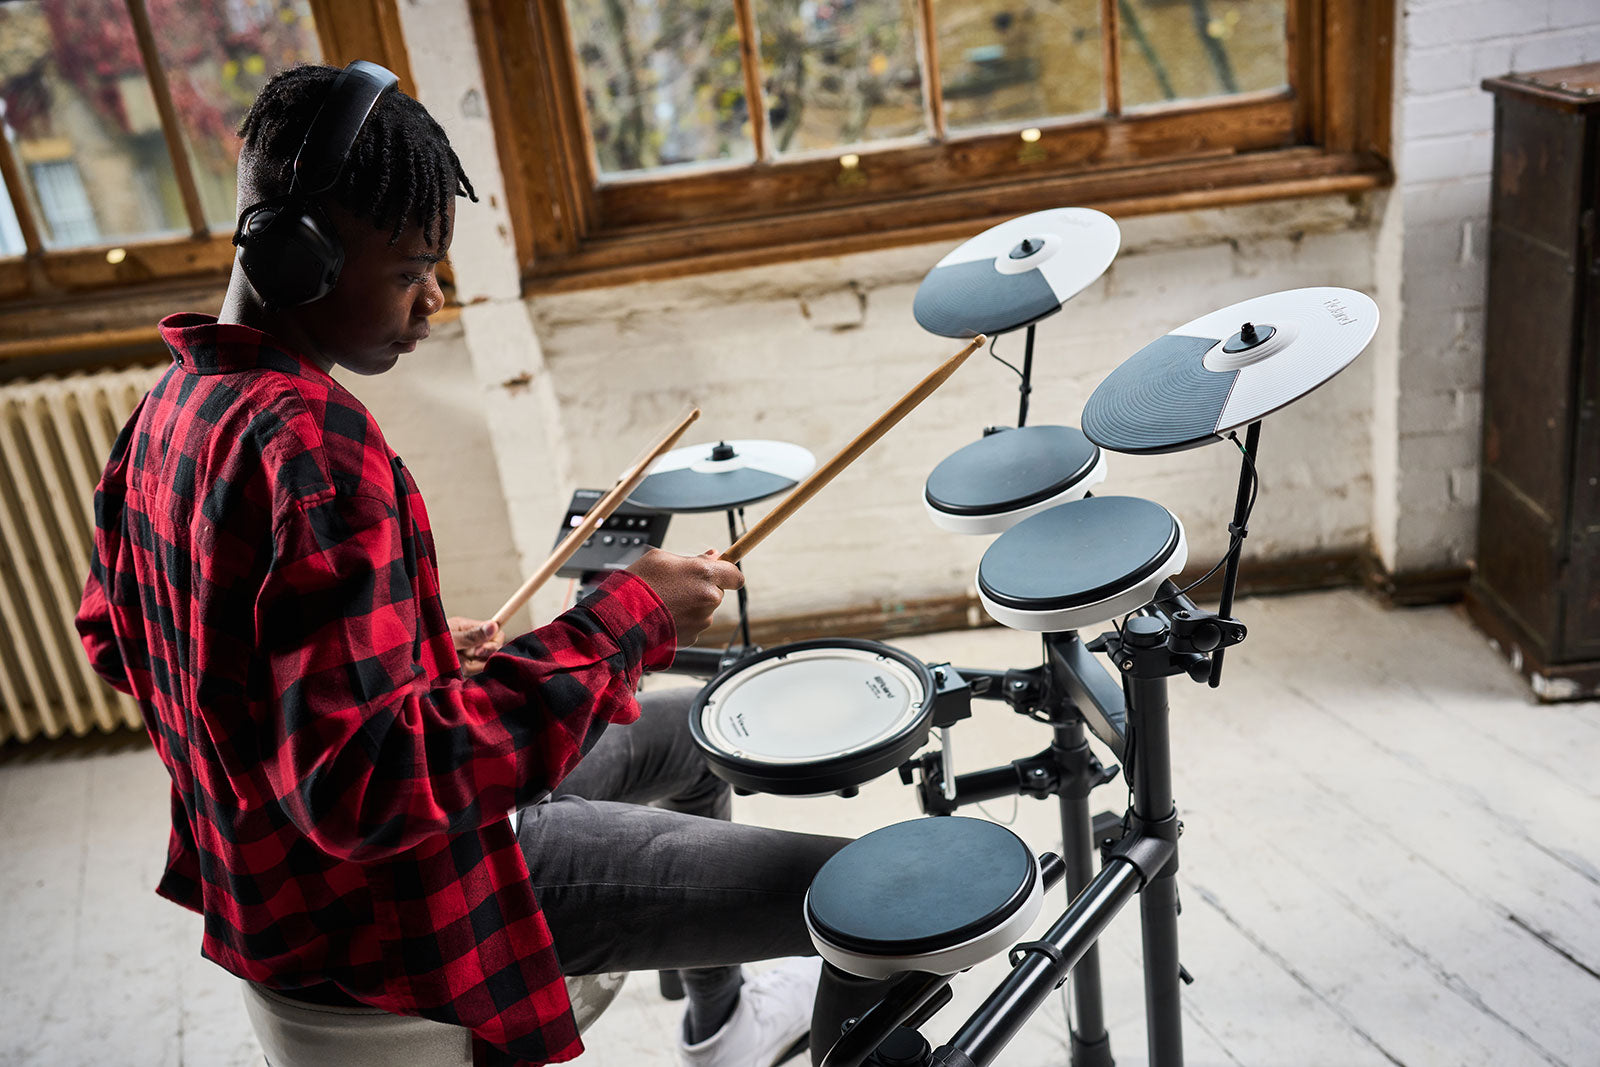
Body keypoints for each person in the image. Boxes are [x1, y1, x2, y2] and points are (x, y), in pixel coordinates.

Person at [75, 62, 885, 1067]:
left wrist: (396, 660)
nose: (433, 302)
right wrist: (630, 616)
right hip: (393, 896)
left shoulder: (170, 407)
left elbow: (118, 636)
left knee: (686, 731)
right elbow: (372, 791)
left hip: (272, 872)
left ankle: (719, 1024)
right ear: (302, 260)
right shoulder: (314, 448)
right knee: (879, 900)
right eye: (412, 268)